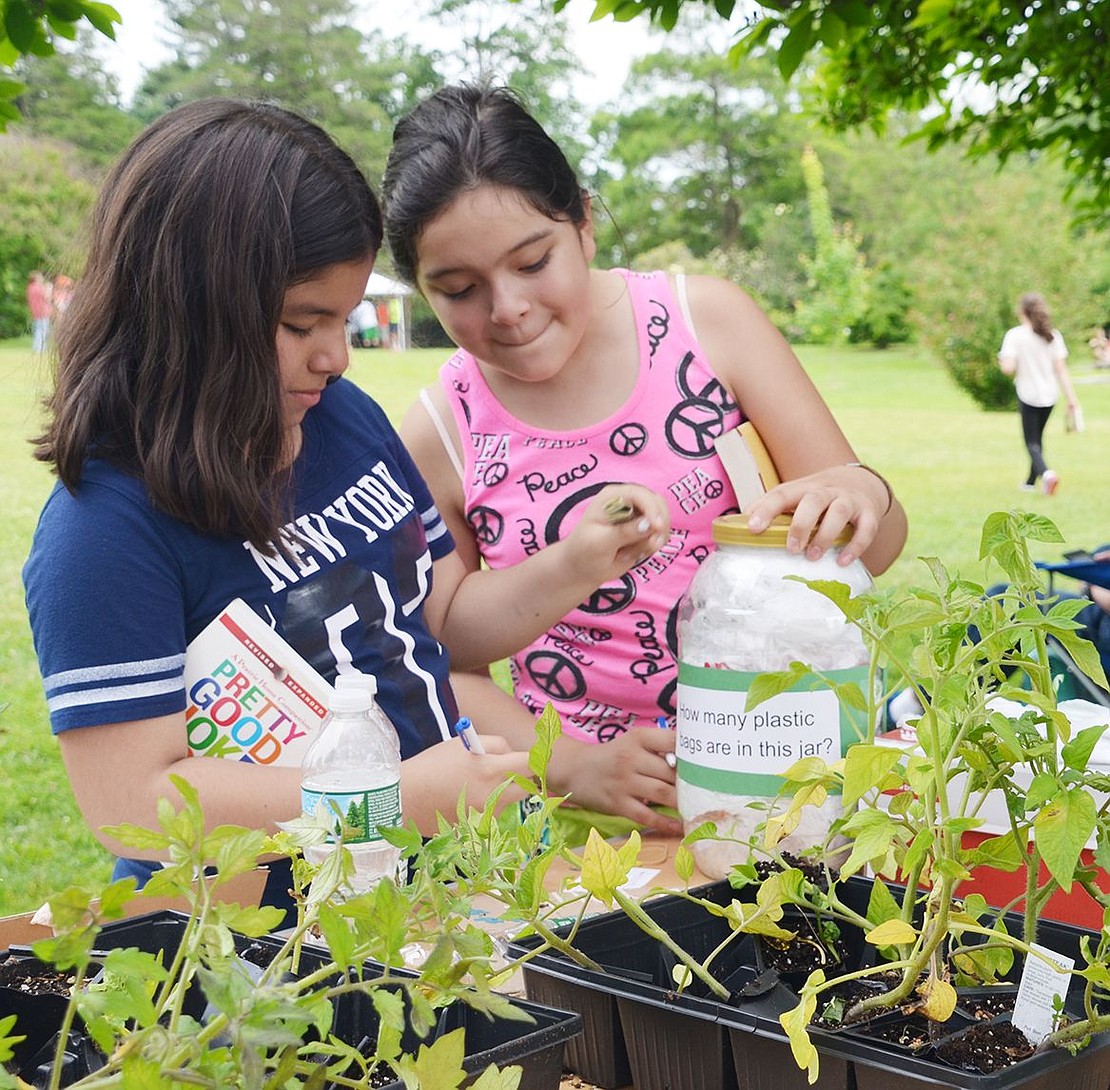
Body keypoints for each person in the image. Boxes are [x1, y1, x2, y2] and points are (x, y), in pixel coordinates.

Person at [22, 98, 669, 917]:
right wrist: (388, 800)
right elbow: (133, 803)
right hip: (275, 950)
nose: (336, 355)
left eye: (345, 318)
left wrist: (580, 559)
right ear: (189, 309)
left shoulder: (346, 418)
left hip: (453, 889)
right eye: (302, 323)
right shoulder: (104, 531)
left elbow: (441, 621)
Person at [382, 83, 908, 837]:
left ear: (585, 224)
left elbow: (875, 551)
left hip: (798, 775)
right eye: (459, 289)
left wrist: (864, 492)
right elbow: (445, 655)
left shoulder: (709, 325)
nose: (507, 308)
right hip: (605, 827)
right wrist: (571, 765)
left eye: (533, 262)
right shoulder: (444, 428)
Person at [998, 292, 1080, 495]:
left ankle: (1047, 474)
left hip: (1028, 394)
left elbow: (1008, 368)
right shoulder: (1052, 335)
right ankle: (1029, 482)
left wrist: (1003, 362)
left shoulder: (1015, 335)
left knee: (1031, 442)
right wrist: (1072, 398)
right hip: (1049, 395)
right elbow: (1061, 370)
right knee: (1038, 439)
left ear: (1022, 311)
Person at [26, 270, 52, 353]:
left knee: (38, 329)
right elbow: (47, 297)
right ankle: (41, 347)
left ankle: (37, 346)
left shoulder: (30, 288)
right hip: (43, 311)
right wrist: (49, 288)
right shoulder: (39, 287)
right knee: (43, 330)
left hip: (35, 312)